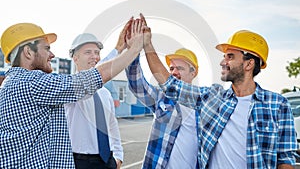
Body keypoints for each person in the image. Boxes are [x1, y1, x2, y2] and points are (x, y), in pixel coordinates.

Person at [140, 26, 299, 168]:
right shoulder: (212, 98)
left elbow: (285, 158)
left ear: (248, 64)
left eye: (230, 56)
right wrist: (147, 45)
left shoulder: (278, 105)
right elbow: (170, 85)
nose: (223, 62)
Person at [0, 19, 143, 168]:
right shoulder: (31, 83)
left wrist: (118, 49)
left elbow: (89, 77)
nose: (52, 54)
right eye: (47, 48)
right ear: (28, 52)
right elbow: (88, 80)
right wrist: (133, 50)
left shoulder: (14, 82)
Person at [125, 14, 199, 168]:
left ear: (194, 73)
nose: (174, 72)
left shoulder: (206, 105)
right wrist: (134, 50)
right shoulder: (162, 98)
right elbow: (136, 84)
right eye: (171, 68)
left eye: (179, 68)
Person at [65, 32, 125, 169]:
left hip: (107, 161)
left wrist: (118, 156)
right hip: (79, 162)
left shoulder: (105, 94)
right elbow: (87, 81)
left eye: (97, 52)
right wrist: (118, 50)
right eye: (88, 52)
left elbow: (112, 127)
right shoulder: (68, 88)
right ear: (75, 57)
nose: (94, 57)